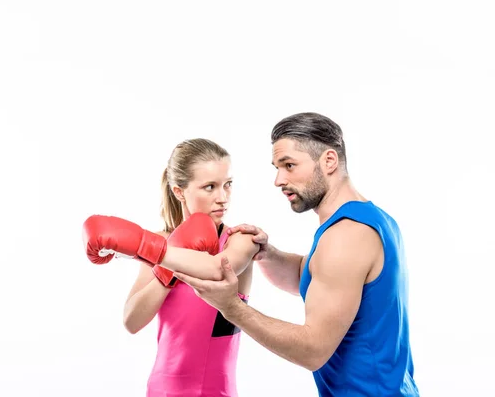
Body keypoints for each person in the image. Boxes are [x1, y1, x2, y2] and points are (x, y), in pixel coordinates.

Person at [174, 113, 420, 396]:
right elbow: (315, 277)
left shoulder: (347, 235)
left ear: (328, 161)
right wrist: (268, 254)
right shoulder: (369, 219)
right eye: (277, 168)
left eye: (289, 165)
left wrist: (231, 308)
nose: (279, 180)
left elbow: (313, 351)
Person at [82, 138, 260, 397]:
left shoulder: (239, 240)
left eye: (228, 185)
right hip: (161, 389)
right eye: (209, 187)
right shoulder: (162, 243)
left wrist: (153, 250)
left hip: (216, 391)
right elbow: (132, 321)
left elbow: (216, 269)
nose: (223, 197)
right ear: (179, 191)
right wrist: (164, 269)